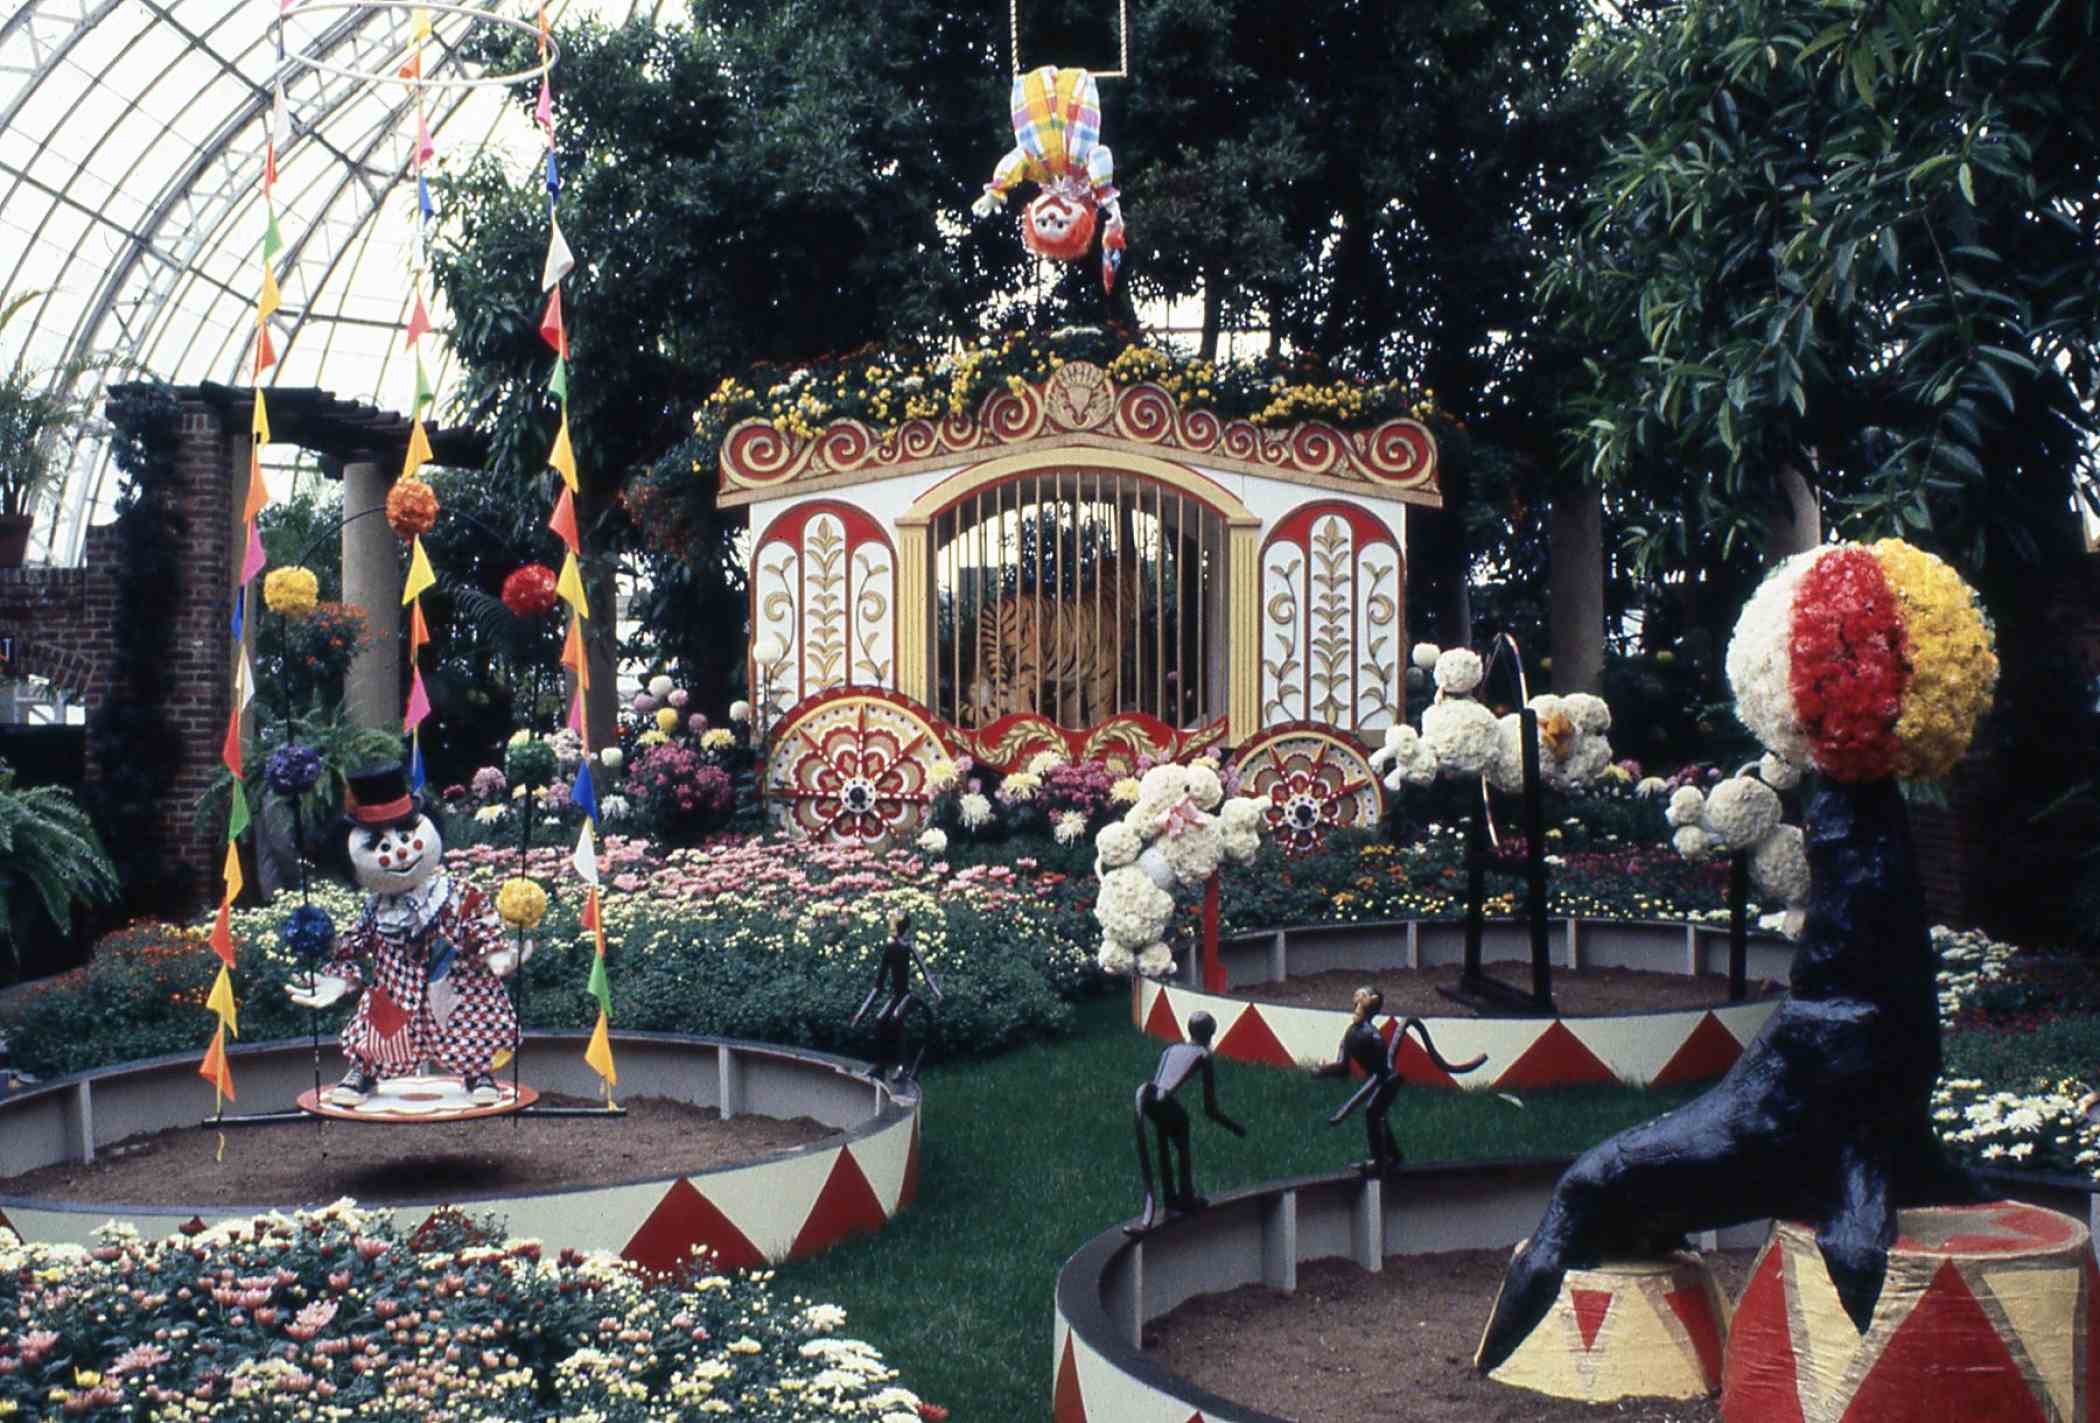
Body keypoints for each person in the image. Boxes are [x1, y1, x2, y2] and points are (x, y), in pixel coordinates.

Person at [284, 763, 529, 1107]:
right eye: (378, 845)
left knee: (471, 1015)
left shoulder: (456, 893)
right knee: (379, 1024)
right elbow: (352, 946)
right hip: (397, 990)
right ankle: (364, 1070)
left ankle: (478, 1071)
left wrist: (498, 955)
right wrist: (339, 980)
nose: (400, 851)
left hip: (454, 983)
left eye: (406, 835)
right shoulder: (375, 911)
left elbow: (480, 925)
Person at [1314, 988, 1486, 1177]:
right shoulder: (1351, 1033)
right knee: (1376, 1114)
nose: (1356, 1006)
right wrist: (1323, 1071)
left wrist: (1347, 1109)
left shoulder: (1373, 1037)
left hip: (1388, 1079)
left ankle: (1379, 1163)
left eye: (1360, 1002)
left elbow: (1381, 1074)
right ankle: (1393, 1156)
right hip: (1381, 1076)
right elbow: (1342, 1067)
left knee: (1372, 1111)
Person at [1127, 1011, 1245, 1235]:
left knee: (1165, 1135)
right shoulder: (1203, 1054)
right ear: (1211, 1034)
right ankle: (1185, 1197)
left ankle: (1171, 1198)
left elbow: (1159, 1084)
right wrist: (1234, 1127)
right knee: (1181, 1126)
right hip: (1159, 1098)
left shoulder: (1172, 1048)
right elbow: (1210, 1109)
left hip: (1148, 1099)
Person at [850, 907, 943, 1084]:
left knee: (896, 1018)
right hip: (895, 995)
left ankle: (903, 1067)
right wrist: (861, 1013)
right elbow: (878, 986)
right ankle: (880, 1066)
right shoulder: (889, 949)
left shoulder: (909, 947)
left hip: (907, 995)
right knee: (879, 1019)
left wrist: (936, 992)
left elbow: (925, 972)